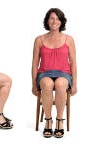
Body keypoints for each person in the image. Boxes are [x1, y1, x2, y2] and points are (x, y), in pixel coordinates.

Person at [31, 8, 77, 138]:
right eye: (52, 18)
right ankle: (48, 120)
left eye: (57, 18)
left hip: (64, 73)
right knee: (47, 84)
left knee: (61, 84)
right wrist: (34, 84)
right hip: (44, 73)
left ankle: (59, 120)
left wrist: (75, 84)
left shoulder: (69, 39)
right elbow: (34, 63)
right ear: (47, 21)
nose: (54, 21)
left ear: (61, 22)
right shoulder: (39, 40)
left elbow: (73, 62)